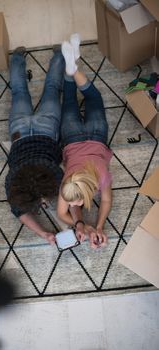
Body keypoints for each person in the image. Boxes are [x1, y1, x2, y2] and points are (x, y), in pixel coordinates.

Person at [57, 34, 113, 249]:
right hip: (72, 136)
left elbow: (62, 213)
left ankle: (73, 66)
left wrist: (91, 225)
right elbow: (64, 213)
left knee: (93, 98)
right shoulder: (68, 182)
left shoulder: (101, 177)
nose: (71, 205)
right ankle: (72, 67)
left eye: (74, 202)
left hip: (96, 135)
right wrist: (90, 227)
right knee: (69, 101)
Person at [5, 46, 65, 244]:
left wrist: (44, 233)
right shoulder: (12, 178)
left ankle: (58, 55)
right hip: (19, 132)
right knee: (18, 91)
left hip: (47, 130)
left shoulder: (53, 170)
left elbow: (20, 212)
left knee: (52, 89)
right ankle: (17, 56)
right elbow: (18, 210)